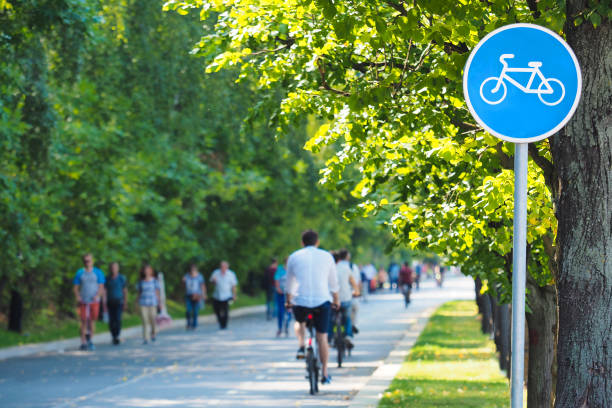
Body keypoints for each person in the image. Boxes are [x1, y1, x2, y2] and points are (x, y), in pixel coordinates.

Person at [286, 229, 340, 385]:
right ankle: (324, 372)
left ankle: (302, 345)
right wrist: (336, 300)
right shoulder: (327, 256)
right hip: (322, 301)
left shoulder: (294, 257)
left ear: (302, 242)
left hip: (300, 301)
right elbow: (333, 284)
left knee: (299, 322)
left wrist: (288, 300)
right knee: (322, 337)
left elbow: (290, 284)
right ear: (317, 242)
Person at [73, 253, 105, 351]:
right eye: (86, 261)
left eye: (89, 260)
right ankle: (83, 342)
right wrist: (78, 296)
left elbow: (101, 286)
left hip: (94, 301)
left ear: (92, 261)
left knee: (91, 321)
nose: (87, 262)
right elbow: (75, 287)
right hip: (83, 301)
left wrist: (97, 295)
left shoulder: (98, 272)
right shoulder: (80, 273)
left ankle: (90, 340)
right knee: (83, 321)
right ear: (83, 262)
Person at [330, 249, 360, 349]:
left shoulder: (329, 268)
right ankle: (347, 335)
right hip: (345, 298)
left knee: (330, 319)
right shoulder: (346, 268)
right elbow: (353, 283)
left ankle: (329, 337)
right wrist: (357, 292)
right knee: (347, 317)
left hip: (332, 299)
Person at [210, 261, 238, 329]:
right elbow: (211, 283)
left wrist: (234, 295)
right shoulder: (216, 273)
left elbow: (234, 285)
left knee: (226, 311)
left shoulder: (231, 274)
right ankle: (220, 321)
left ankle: (224, 324)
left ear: (227, 267)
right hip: (217, 295)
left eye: (224, 266)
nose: (223, 268)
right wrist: (214, 281)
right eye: (221, 266)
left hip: (227, 295)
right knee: (217, 310)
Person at [105, 262, 127, 345]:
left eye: (115, 267)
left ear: (118, 268)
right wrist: (103, 302)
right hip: (110, 302)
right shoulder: (107, 278)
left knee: (118, 319)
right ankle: (113, 335)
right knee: (111, 320)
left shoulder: (122, 278)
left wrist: (125, 302)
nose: (113, 269)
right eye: (112, 267)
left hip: (119, 302)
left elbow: (125, 291)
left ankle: (117, 335)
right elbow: (104, 291)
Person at [138, 264, 160, 344]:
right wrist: (137, 302)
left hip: (152, 303)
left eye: (148, 269)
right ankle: (145, 338)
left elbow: (157, 292)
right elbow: (139, 293)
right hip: (143, 303)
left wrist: (159, 303)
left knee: (153, 319)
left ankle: (153, 333)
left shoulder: (154, 281)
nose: (147, 271)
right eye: (145, 270)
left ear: (151, 271)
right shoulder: (141, 281)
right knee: (144, 320)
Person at [183, 263, 207, 330]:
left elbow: (203, 286)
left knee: (195, 311)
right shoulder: (187, 276)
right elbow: (184, 286)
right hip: (189, 295)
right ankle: (188, 324)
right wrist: (183, 281)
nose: (193, 270)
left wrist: (204, 294)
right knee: (188, 310)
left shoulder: (199, 276)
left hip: (197, 296)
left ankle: (194, 325)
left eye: (194, 269)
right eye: (191, 269)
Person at [274, 258, 292, 337]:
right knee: (280, 311)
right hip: (281, 293)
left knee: (289, 311)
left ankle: (287, 327)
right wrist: (278, 289)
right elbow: (276, 280)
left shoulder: (292, 270)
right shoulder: (280, 270)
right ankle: (280, 328)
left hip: (290, 294)